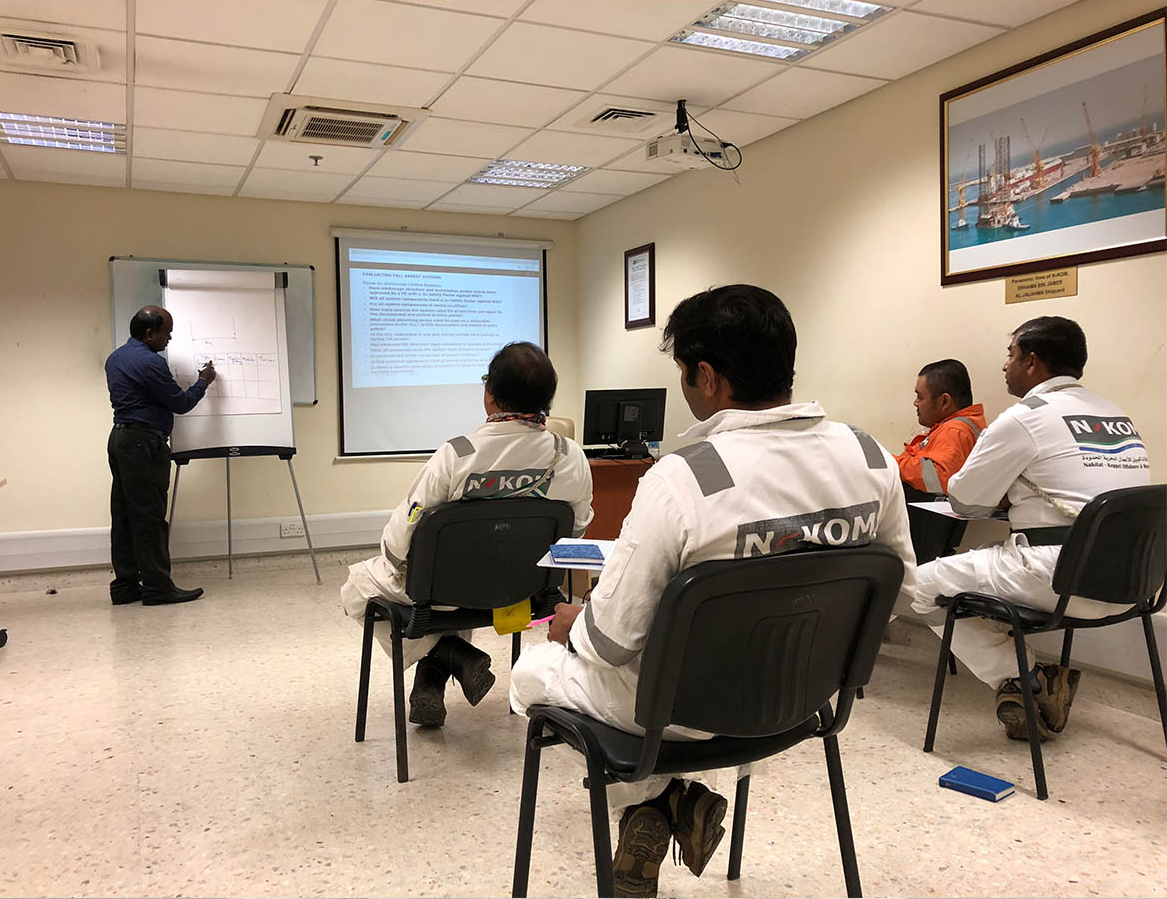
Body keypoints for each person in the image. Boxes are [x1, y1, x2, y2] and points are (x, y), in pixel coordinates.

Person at [509, 285, 917, 898]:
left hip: (682, 711)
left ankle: (662, 798)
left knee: (532, 671)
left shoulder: (684, 477)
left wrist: (574, 627)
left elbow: (612, 643)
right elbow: (899, 593)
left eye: (682, 373)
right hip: (804, 698)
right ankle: (665, 803)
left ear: (706, 377)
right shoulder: (871, 457)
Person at [911, 317, 1150, 741]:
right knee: (974, 571)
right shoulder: (1115, 414)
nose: (1005, 365)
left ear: (1032, 362)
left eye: (1011, 355)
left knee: (921, 585)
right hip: (1135, 582)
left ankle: (1030, 679)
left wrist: (1008, 489)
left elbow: (965, 501)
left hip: (1061, 577)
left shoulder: (1024, 418)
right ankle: (1028, 682)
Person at [341, 342, 593, 729]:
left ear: (490, 394)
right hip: (525, 591)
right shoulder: (570, 455)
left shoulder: (457, 454)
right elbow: (575, 530)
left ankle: (449, 651)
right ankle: (440, 665)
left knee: (357, 587)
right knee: (466, 579)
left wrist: (391, 561)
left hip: (446, 594)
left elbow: (404, 535)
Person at [105, 306, 216, 606]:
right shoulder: (150, 362)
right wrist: (203, 381)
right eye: (167, 332)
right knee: (149, 517)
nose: (169, 338)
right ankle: (157, 588)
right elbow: (180, 403)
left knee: (124, 515)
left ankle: (125, 586)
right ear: (149, 333)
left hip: (120, 440)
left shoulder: (115, 358)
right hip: (143, 443)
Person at [893, 359, 986, 497]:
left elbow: (939, 477)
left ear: (944, 401)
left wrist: (889, 463)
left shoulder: (955, 431)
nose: (915, 403)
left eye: (920, 397)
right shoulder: (955, 427)